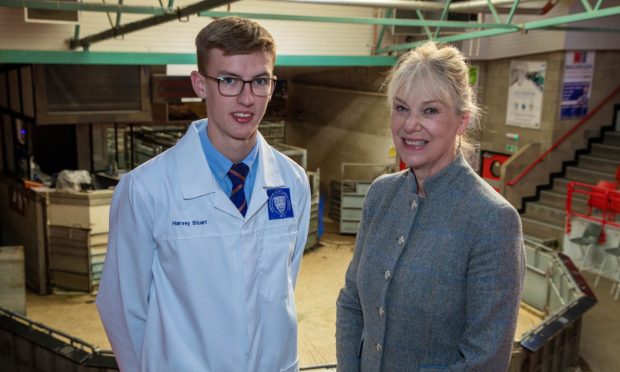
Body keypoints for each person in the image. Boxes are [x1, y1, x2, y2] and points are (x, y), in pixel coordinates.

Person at [97, 16, 311, 372]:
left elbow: (286, 283)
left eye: (259, 81)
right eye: (228, 80)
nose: (246, 99)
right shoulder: (146, 190)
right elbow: (122, 308)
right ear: (199, 84)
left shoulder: (292, 182)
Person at [336, 41, 525, 371]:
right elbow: (352, 302)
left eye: (430, 110)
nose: (410, 125)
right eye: (401, 108)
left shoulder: (492, 220)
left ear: (462, 121)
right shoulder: (380, 196)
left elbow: (485, 360)